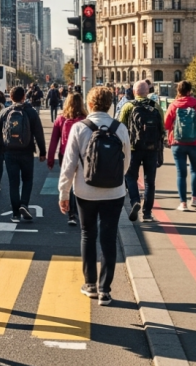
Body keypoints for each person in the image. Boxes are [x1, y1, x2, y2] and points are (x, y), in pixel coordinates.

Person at [58, 86, 131, 306]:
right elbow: (126, 162)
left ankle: (89, 285)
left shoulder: (80, 128)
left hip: (84, 191)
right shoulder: (120, 128)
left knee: (88, 234)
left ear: (89, 104)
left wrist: (63, 192)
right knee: (108, 238)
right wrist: (114, 178)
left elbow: (69, 164)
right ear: (110, 104)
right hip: (114, 192)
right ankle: (105, 290)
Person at [0, 86, 47, 223]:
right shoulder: (31, 112)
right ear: (24, 96)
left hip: (10, 152)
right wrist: (42, 151)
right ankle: (24, 204)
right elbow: (38, 133)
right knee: (27, 180)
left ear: (10, 97)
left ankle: (15, 213)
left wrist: (2, 149)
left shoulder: (5, 112)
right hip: (27, 151)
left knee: (13, 182)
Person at [118, 80, 164, 222]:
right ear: (148, 92)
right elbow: (162, 129)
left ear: (133, 92)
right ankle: (148, 213)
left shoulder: (128, 107)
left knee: (131, 176)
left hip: (133, 148)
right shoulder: (156, 107)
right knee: (150, 181)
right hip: (151, 148)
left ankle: (135, 201)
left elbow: (121, 128)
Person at [164, 81, 196, 211]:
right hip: (195, 143)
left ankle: (183, 203)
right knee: (195, 171)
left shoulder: (173, 105)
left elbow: (166, 125)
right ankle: (195, 199)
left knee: (181, 173)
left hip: (177, 143)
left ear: (178, 91)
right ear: (189, 91)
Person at [48, 91, 88, 226]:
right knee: (81, 182)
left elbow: (54, 141)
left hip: (65, 155)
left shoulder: (61, 119)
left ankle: (71, 215)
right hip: (83, 156)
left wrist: (50, 159)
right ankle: (80, 210)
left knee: (69, 183)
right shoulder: (86, 119)